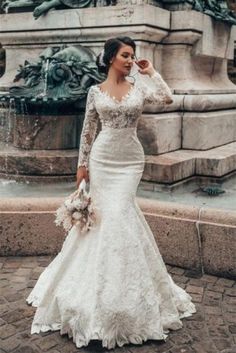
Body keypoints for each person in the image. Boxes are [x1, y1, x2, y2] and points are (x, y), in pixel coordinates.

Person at [26, 36, 196, 350]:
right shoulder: (94, 92)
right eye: (125, 55)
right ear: (110, 58)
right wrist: (81, 168)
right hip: (102, 160)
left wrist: (151, 72)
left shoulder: (140, 85)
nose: (130, 60)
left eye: (133, 56)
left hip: (130, 161)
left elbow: (167, 98)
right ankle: (97, 293)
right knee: (106, 218)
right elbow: (88, 130)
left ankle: (127, 295)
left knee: (120, 213)